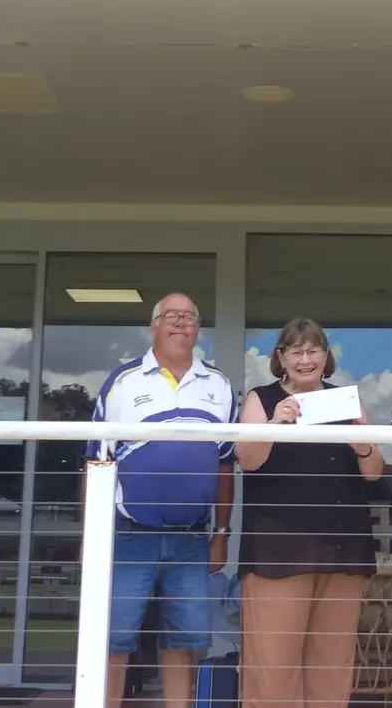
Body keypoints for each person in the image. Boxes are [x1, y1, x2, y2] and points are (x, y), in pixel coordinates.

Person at [83, 292, 237, 708]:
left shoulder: (219, 385)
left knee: (182, 642)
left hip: (191, 540)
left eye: (189, 316)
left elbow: (226, 467)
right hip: (130, 537)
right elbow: (96, 462)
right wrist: (91, 535)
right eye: (171, 316)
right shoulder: (122, 381)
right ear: (153, 327)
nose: (181, 323)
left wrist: (221, 534)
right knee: (114, 640)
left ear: (198, 329)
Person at [235, 317, 384, 708]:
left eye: (314, 350)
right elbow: (247, 461)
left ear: (326, 357)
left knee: (331, 672)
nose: (305, 359)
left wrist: (362, 444)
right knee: (273, 673)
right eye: (296, 351)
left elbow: (373, 472)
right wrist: (272, 425)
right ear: (281, 358)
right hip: (278, 554)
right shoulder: (261, 398)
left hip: (340, 551)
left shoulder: (345, 401)